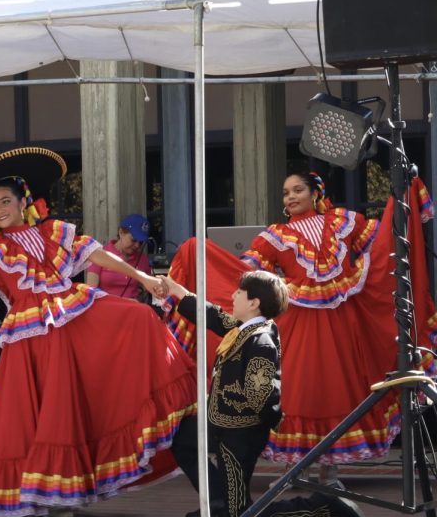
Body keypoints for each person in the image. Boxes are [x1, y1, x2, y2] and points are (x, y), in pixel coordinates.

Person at [0, 147, 196, 517]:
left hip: (70, 314)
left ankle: (61, 491)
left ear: (24, 201)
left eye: (5, 201)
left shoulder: (53, 231)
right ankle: (41, 495)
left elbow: (99, 256)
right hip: (29, 335)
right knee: (37, 415)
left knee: (138, 318)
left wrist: (143, 278)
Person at [164, 172, 437, 487]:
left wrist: (400, 201)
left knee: (335, 389)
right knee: (295, 390)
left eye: (297, 190)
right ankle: (296, 468)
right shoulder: (275, 235)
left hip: (341, 322)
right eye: (285, 193)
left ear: (315, 193)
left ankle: (329, 472)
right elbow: (248, 273)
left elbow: (382, 249)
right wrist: (200, 254)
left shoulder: (344, 221)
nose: (290, 197)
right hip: (295, 322)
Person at [163, 271, 366, 517]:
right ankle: (218, 498)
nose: (233, 296)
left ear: (254, 303)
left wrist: (243, 409)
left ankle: (325, 505)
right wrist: (173, 287)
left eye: (239, 292)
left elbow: (261, 396)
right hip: (223, 426)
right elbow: (210, 315)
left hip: (239, 435)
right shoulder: (244, 328)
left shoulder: (260, 339)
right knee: (182, 439)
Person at [84, 213, 152, 300]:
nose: (137, 246)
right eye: (133, 240)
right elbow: (91, 293)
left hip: (133, 310)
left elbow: (149, 290)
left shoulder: (142, 259)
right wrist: (123, 302)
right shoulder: (100, 254)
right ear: (121, 232)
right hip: (106, 309)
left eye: (141, 242)